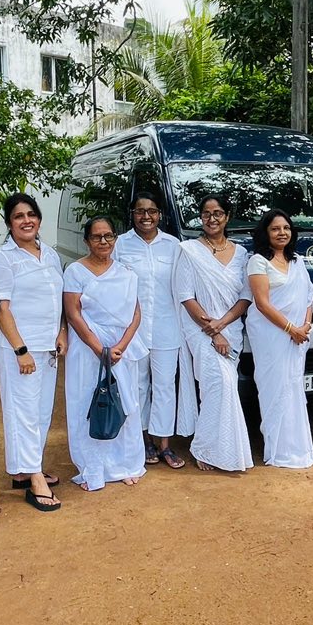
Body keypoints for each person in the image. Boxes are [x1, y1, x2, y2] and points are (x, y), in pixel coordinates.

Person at [0, 193, 67, 512]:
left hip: (47, 345)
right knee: (23, 410)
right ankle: (34, 479)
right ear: (9, 223)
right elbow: (1, 308)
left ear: (39, 219)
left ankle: (25, 469)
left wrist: (62, 331)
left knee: (42, 411)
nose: (26, 221)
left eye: (31, 214)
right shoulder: (2, 258)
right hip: (19, 348)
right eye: (18, 216)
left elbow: (58, 299)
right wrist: (20, 349)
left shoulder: (50, 254)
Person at [63, 216, 148, 491]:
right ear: (86, 240)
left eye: (108, 236)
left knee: (123, 404)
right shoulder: (75, 271)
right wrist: (99, 349)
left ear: (115, 238)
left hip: (121, 351)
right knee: (88, 406)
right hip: (87, 349)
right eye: (97, 236)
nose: (103, 241)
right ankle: (94, 468)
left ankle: (126, 465)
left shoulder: (126, 273)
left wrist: (121, 345)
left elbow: (136, 313)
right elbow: (73, 314)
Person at [173, 194, 254, 472]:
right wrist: (212, 331)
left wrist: (222, 325)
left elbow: (246, 297)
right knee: (219, 384)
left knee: (222, 388)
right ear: (200, 217)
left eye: (218, 213)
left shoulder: (241, 253)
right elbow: (186, 296)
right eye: (206, 214)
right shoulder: (189, 251)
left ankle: (220, 449)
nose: (212, 219)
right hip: (201, 330)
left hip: (231, 329)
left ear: (227, 216)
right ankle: (204, 448)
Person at [115, 191, 194, 470]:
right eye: (140, 211)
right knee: (138, 386)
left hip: (166, 326)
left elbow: (183, 286)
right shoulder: (120, 245)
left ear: (160, 214)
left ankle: (164, 444)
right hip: (132, 330)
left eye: (151, 211)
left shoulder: (173, 246)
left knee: (165, 386)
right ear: (132, 214)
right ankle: (143, 440)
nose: (146, 216)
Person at [247, 208, 313, 468]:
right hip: (271, 336)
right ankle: (278, 449)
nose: (282, 233)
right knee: (275, 388)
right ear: (266, 232)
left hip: (297, 336)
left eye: (286, 228)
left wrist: (305, 326)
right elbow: (262, 304)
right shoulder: (258, 262)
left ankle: (297, 447)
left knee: (293, 386)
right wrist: (291, 329)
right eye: (275, 228)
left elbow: (307, 297)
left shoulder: (297, 261)